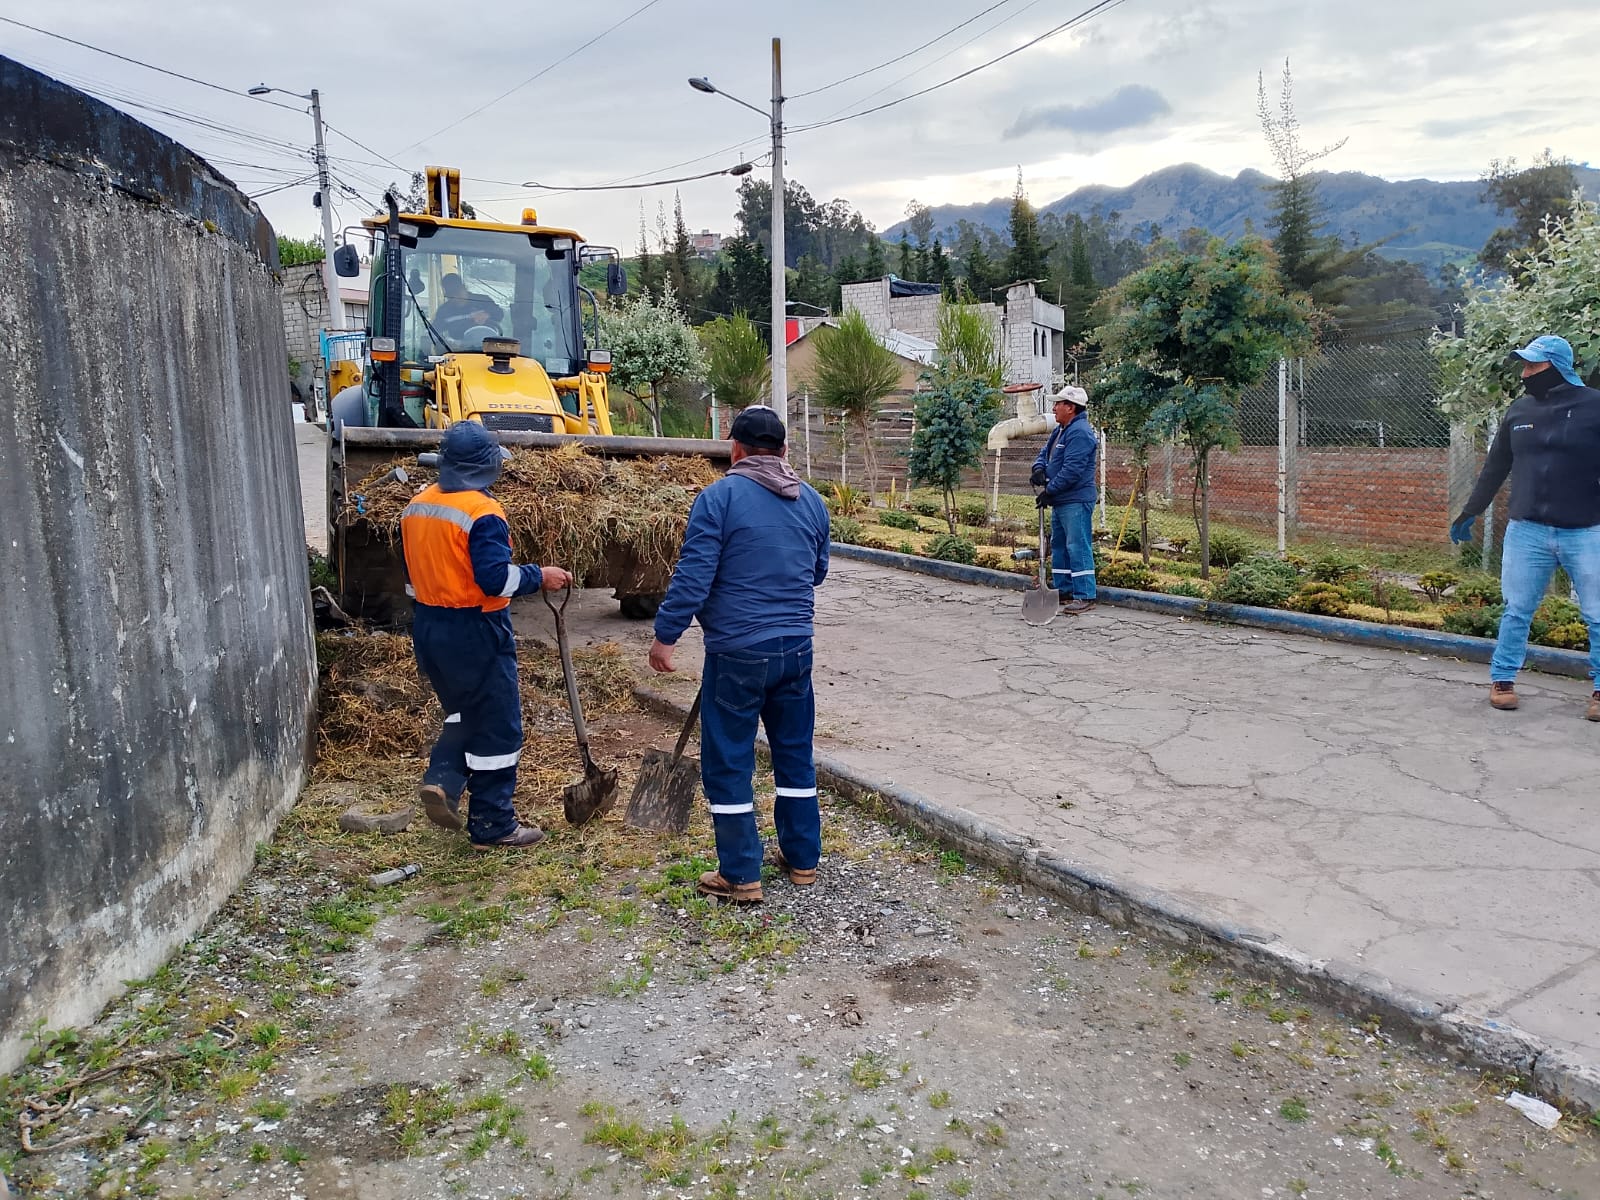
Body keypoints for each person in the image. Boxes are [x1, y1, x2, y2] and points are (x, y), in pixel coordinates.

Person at [647, 406, 832, 904]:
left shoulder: (719, 497)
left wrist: (666, 635)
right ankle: (802, 860)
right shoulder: (812, 501)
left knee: (729, 760)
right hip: (796, 651)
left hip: (737, 654)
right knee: (794, 754)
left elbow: (693, 576)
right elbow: (817, 572)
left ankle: (740, 873)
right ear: (785, 450)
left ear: (735, 448)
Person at [401, 421, 573, 848]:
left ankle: (442, 779)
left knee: (462, 713)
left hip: (428, 626)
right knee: (497, 727)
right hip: (475, 630)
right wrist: (540, 575)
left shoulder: (417, 505)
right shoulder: (483, 513)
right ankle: (493, 824)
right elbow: (494, 580)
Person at [1451, 335, 1600, 720]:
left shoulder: (1595, 407)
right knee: (1516, 609)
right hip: (1527, 530)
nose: (1525, 373)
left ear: (1558, 366)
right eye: (1524, 366)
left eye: (1533, 366)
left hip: (1586, 530)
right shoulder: (1519, 411)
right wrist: (1470, 511)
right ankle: (1502, 681)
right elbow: (1496, 466)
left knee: (1598, 613)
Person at [1030, 385, 1099, 615]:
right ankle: (1064, 589)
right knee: (1060, 546)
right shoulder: (1061, 429)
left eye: (1058, 404)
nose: (1054, 408)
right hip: (1062, 500)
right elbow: (1044, 454)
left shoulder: (1080, 432)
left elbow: (1073, 470)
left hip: (1076, 500)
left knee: (1077, 546)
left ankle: (1085, 594)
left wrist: (1050, 490)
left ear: (1070, 407)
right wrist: (1039, 469)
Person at [434, 272, 504, 335]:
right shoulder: (444, 311)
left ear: (464, 288)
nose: (456, 297)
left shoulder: (483, 301)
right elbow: (434, 332)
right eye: (451, 295)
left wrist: (487, 314)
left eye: (457, 292)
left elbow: (499, 313)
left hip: (487, 345)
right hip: (456, 348)